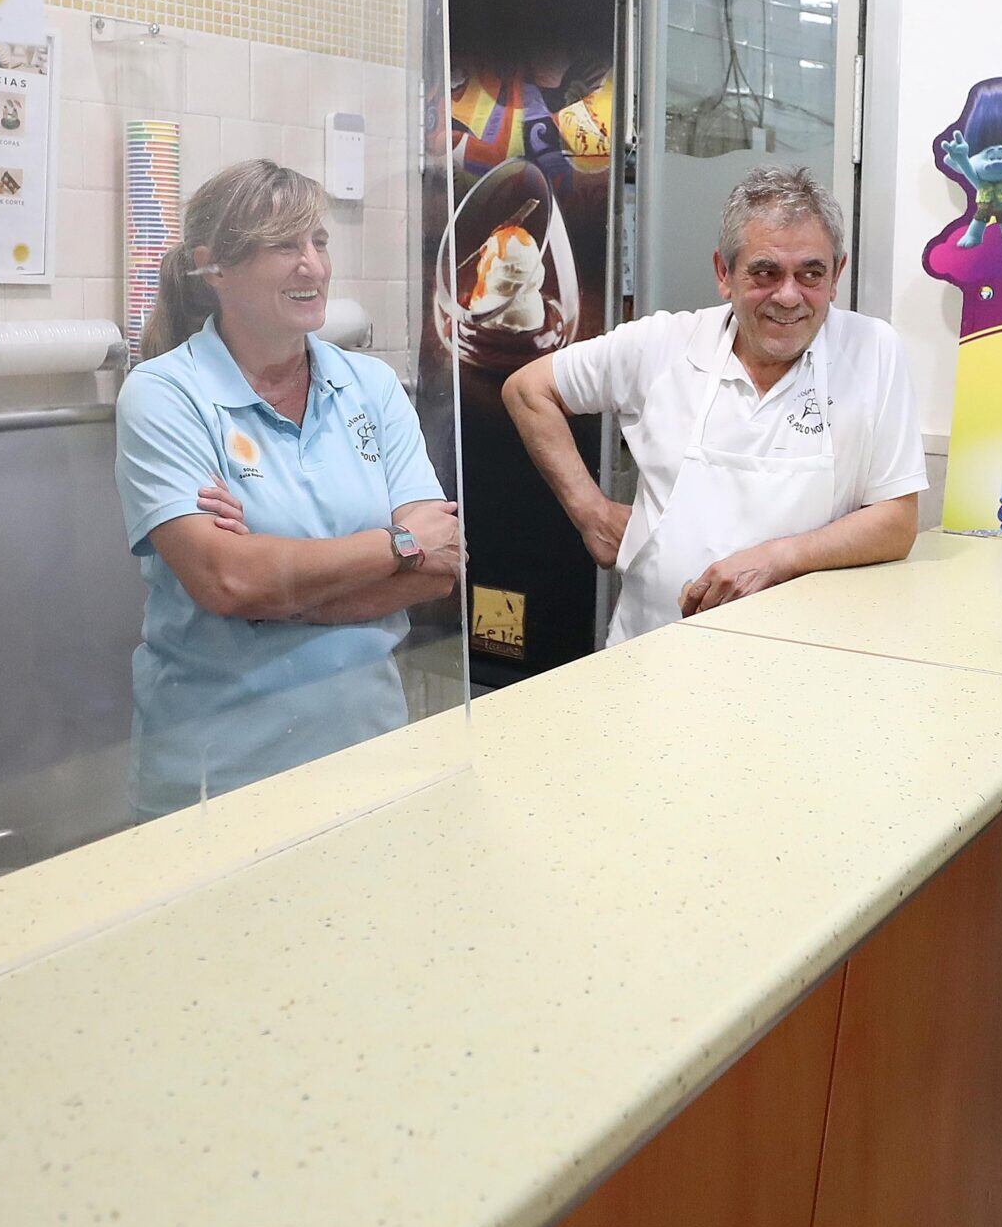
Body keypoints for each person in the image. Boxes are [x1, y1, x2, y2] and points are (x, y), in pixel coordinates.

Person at [116, 160, 462, 820]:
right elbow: (228, 582)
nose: (313, 265)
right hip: (220, 777)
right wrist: (396, 542)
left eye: (319, 242)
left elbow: (441, 566)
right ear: (213, 266)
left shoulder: (371, 386)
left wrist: (282, 596)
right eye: (285, 245)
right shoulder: (165, 395)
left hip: (368, 753)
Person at [502, 164, 923, 645]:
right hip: (655, 651)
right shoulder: (662, 344)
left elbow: (896, 522)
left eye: (811, 273)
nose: (789, 296)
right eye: (765, 272)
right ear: (724, 273)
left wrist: (778, 558)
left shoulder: (873, 351)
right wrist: (591, 513)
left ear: (836, 275)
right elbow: (527, 390)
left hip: (805, 659)